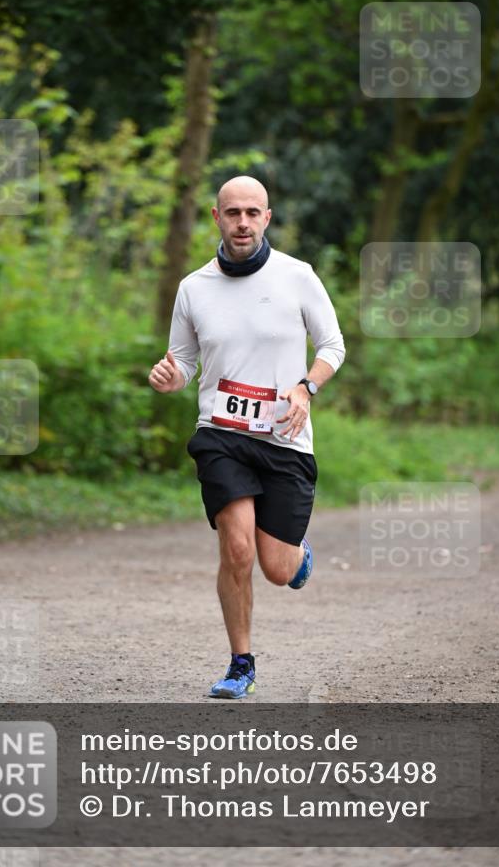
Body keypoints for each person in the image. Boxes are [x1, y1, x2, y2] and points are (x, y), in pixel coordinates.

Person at [148, 176, 345, 698]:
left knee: (276, 569)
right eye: (232, 213)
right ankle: (241, 664)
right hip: (221, 435)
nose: (242, 222)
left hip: (283, 437)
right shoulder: (194, 288)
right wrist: (170, 377)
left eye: (252, 213)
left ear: (267, 218)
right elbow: (182, 361)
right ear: (216, 217)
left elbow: (332, 345)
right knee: (236, 550)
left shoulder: (297, 276)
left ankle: (297, 555)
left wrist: (306, 387)